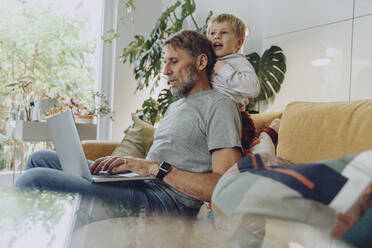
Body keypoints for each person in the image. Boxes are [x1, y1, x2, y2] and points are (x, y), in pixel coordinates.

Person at [15, 30, 243, 218]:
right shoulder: (177, 105)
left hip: (165, 201)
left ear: (201, 61)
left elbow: (223, 186)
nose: (165, 71)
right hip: (142, 184)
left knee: (31, 180)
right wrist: (133, 168)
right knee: (40, 158)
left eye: (174, 61)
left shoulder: (220, 105)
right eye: (166, 62)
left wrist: (153, 168)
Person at [207, 13, 280, 154]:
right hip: (213, 120)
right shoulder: (207, 63)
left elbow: (253, 89)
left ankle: (268, 135)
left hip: (237, 121)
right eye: (212, 33)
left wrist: (225, 70)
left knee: (252, 152)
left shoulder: (239, 62)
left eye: (224, 32)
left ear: (239, 43)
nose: (216, 36)